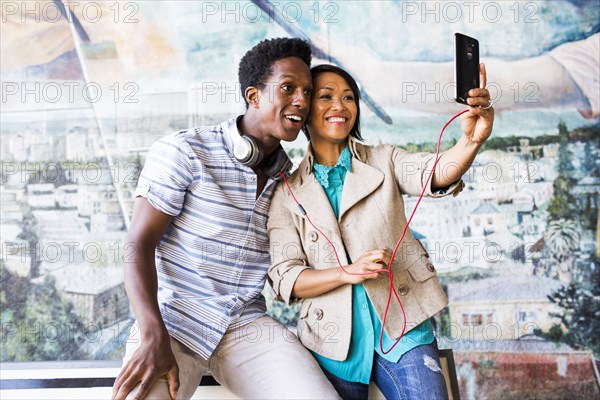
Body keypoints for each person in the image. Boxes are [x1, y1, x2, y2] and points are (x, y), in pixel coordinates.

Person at [112, 38, 340, 400]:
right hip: (173, 321)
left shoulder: (292, 182)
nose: (302, 100)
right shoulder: (185, 151)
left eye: (308, 92)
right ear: (253, 96)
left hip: (246, 324)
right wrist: (152, 334)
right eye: (288, 88)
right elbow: (136, 246)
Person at [267, 64, 494, 399]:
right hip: (331, 343)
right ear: (305, 107)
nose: (340, 106)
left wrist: (471, 140)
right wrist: (347, 273)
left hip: (403, 327)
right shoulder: (286, 192)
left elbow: (435, 172)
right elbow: (286, 278)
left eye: (348, 97)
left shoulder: (384, 159)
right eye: (326, 96)